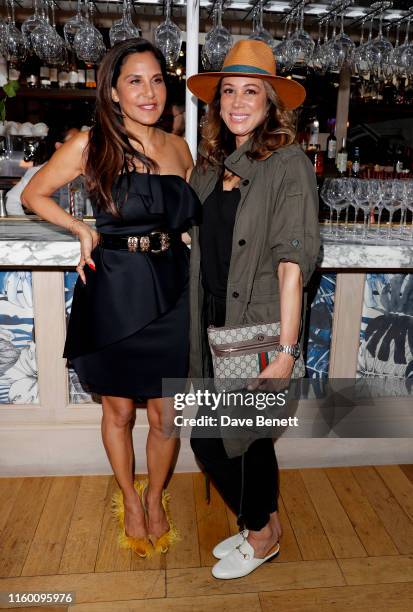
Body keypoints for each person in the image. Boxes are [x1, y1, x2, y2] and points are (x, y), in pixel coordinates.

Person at [22, 39, 200, 558]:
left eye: (157, 80)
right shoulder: (90, 143)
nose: (149, 92)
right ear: (114, 92)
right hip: (116, 289)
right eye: (135, 81)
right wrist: (79, 228)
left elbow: (186, 218)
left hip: (173, 289)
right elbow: (33, 195)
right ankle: (131, 496)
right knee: (120, 413)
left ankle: (157, 493)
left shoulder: (179, 147)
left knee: (167, 416)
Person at [187, 40, 320, 579]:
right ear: (217, 103)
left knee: (231, 437)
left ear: (271, 103)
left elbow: (293, 264)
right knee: (232, 434)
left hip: (256, 323)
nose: (238, 102)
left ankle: (263, 534)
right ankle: (257, 524)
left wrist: (285, 351)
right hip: (211, 317)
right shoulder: (213, 167)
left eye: (251, 92)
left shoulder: (288, 165)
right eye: (228, 92)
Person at [6, 126, 80, 215]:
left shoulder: (81, 172)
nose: (80, 147)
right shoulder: (39, 171)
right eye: (74, 143)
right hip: (47, 228)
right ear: (59, 146)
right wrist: (27, 228)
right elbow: (11, 201)